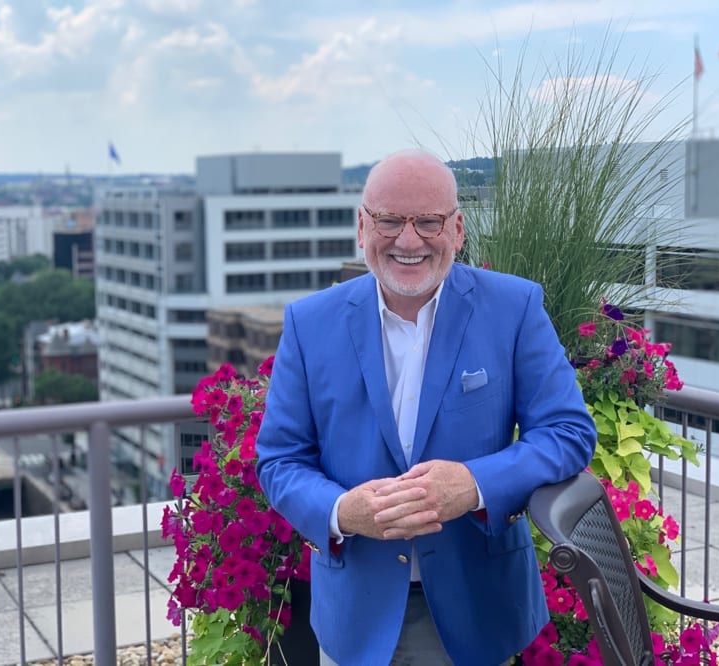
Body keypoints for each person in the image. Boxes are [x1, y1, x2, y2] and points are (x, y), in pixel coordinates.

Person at [255, 149, 597, 665]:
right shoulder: (309, 323)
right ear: (362, 228)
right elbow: (280, 460)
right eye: (390, 220)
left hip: (478, 604)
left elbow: (568, 431)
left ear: (457, 229)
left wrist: (475, 484)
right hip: (355, 612)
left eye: (429, 222)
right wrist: (341, 512)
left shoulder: (514, 307)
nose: (408, 240)